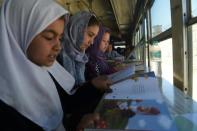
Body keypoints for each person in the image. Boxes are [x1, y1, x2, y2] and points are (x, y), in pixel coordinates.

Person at [0, 0, 109, 130]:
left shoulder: (47, 69)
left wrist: (92, 85)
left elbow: (65, 104)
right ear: (18, 32)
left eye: (60, 38)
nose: (58, 46)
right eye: (49, 37)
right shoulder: (5, 103)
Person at [58, 11, 100, 85]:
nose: (92, 42)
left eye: (94, 37)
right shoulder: (56, 56)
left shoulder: (81, 58)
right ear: (77, 29)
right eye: (90, 35)